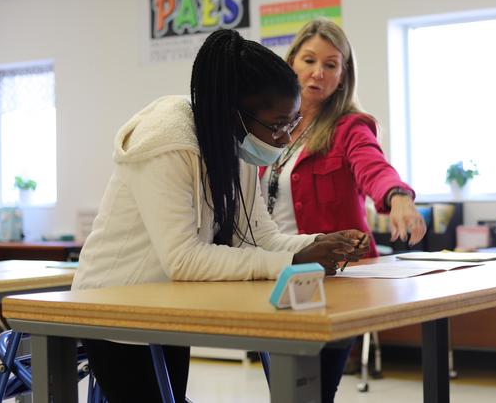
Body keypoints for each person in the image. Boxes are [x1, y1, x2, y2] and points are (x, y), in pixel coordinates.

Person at [73, 29, 368, 403]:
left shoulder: (237, 143)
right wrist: (293, 259)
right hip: (114, 307)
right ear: (235, 114)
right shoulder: (167, 143)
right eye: (277, 125)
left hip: (163, 303)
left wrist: (320, 245)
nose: (284, 138)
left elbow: (261, 237)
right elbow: (184, 258)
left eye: (291, 124)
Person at [257, 18, 426, 402]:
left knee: (313, 392)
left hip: (330, 278)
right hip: (272, 270)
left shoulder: (351, 128)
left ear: (342, 74)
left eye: (331, 64)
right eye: (309, 60)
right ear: (291, 64)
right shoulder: (268, 129)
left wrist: (398, 196)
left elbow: (373, 167)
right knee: (285, 389)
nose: (318, 72)